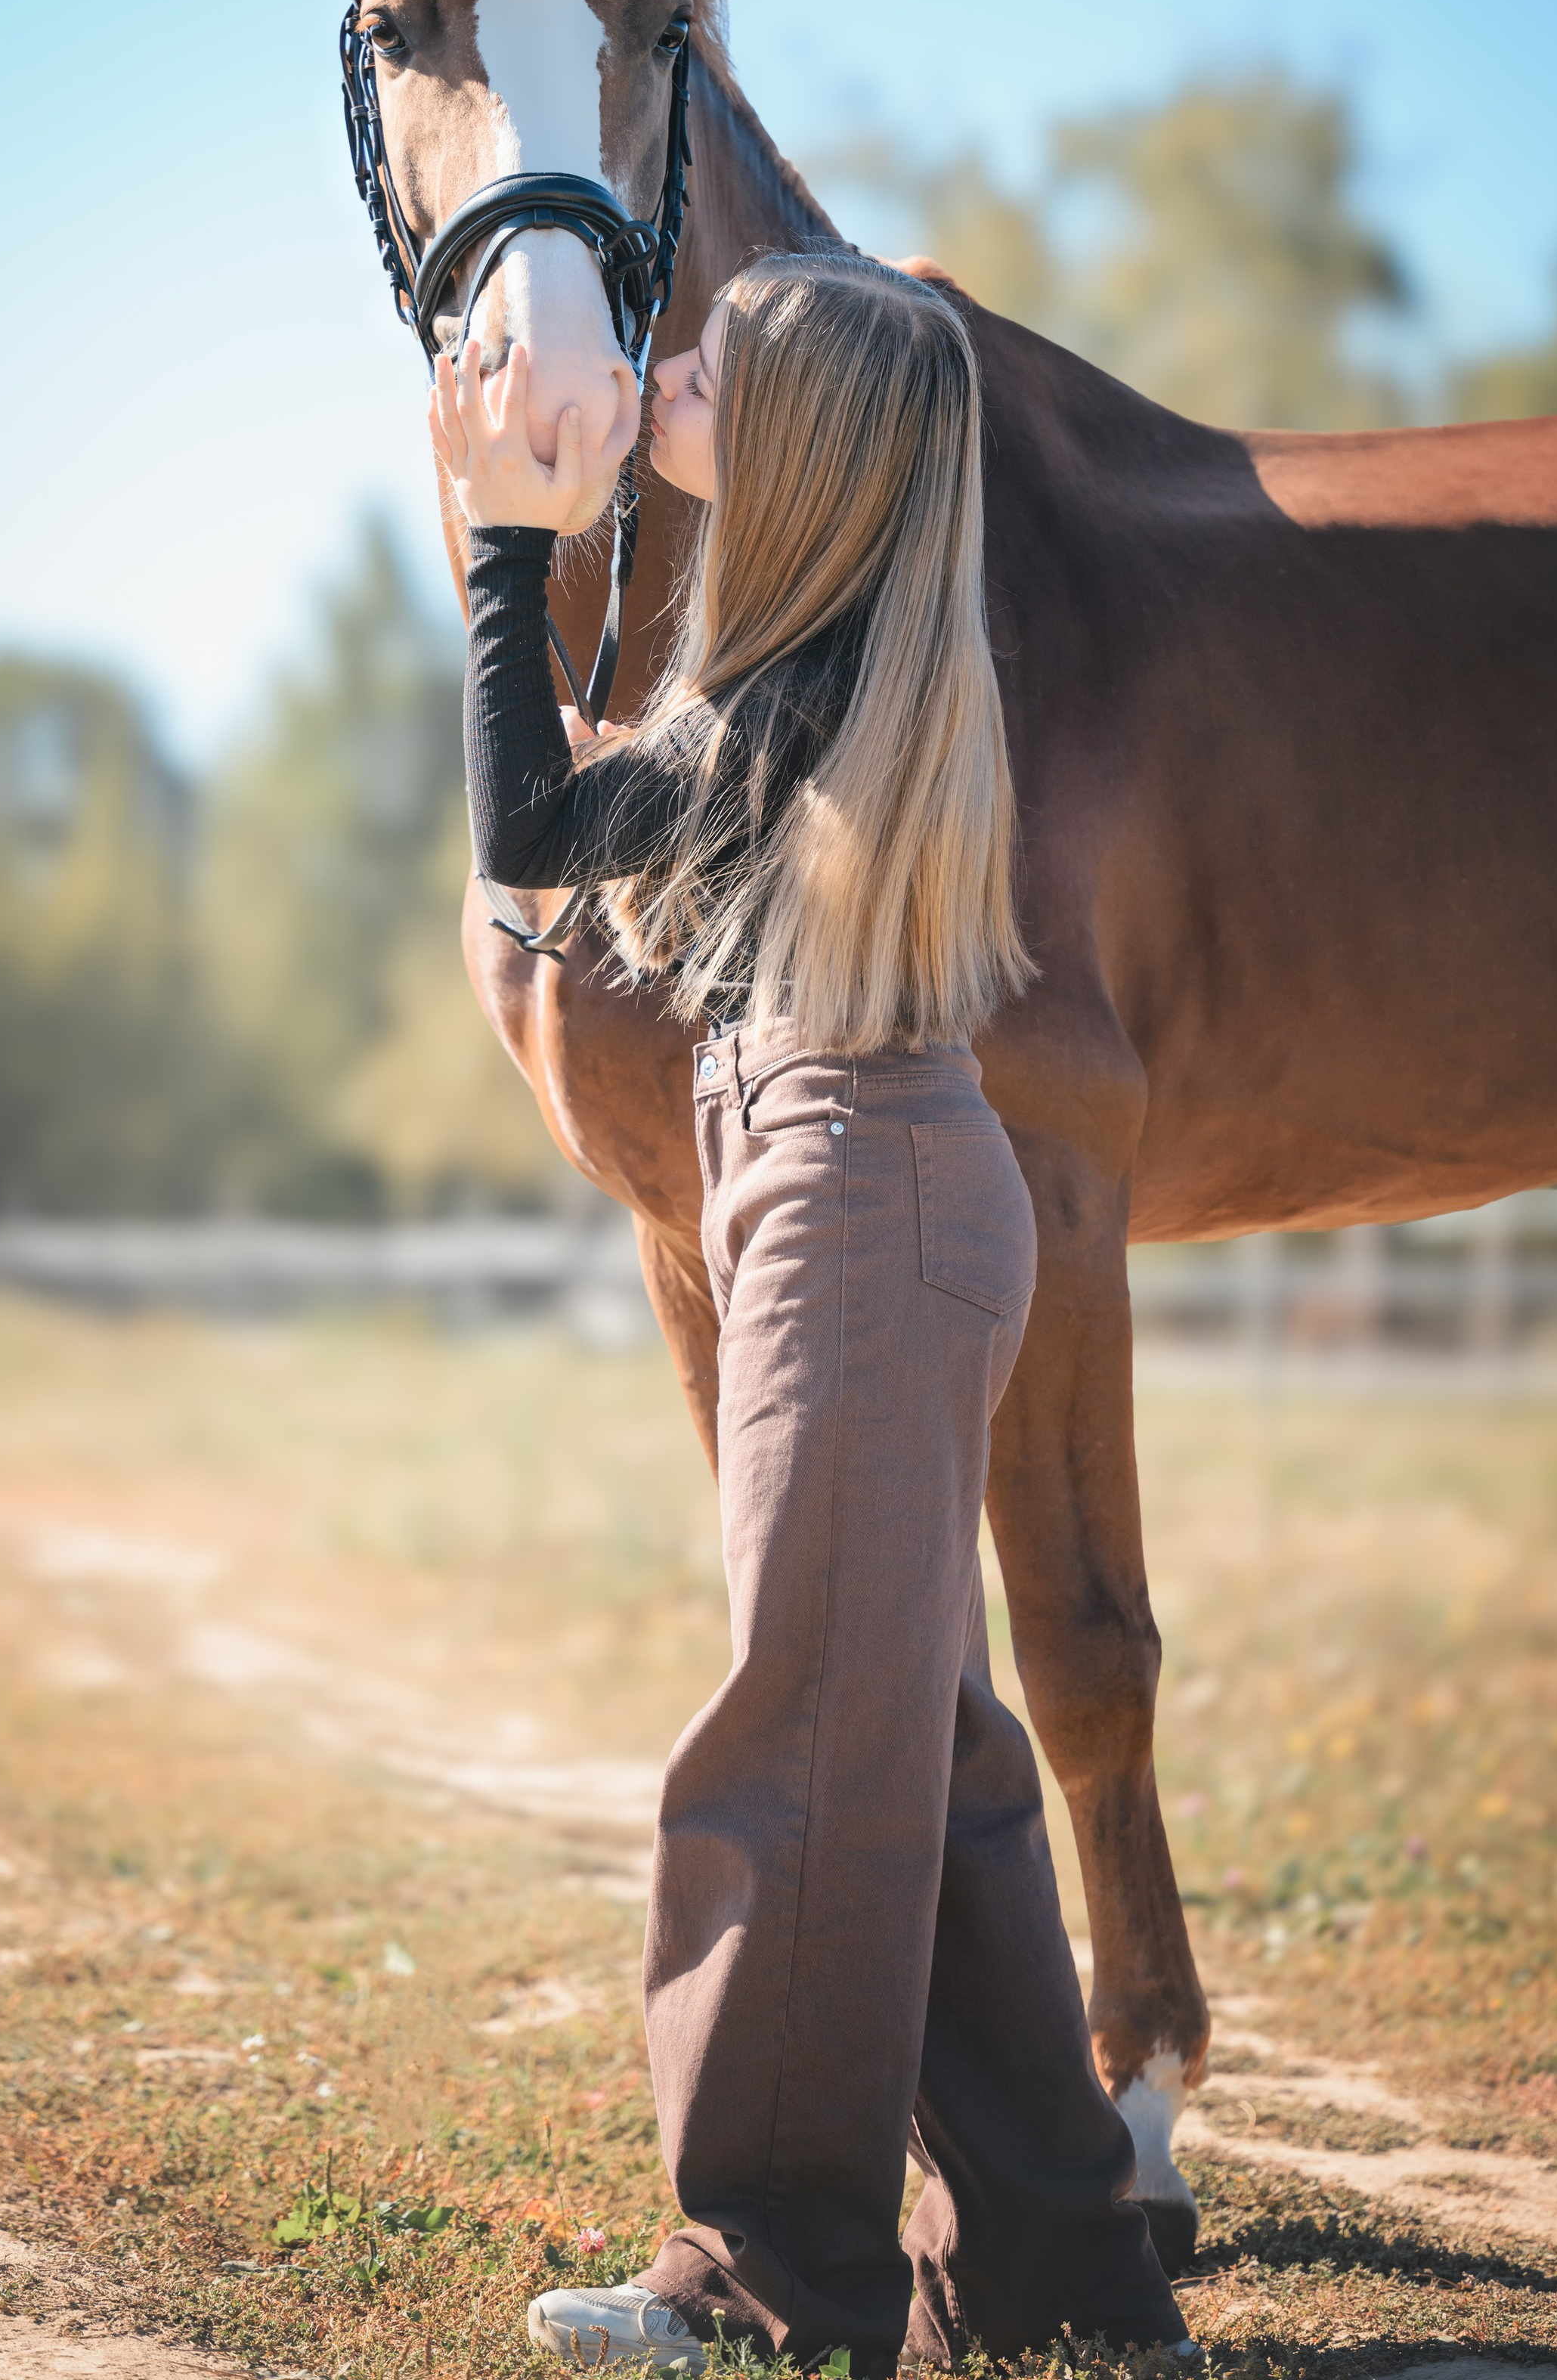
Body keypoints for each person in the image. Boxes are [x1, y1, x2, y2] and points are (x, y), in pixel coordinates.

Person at [431, 253, 1189, 2378]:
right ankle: (1062, 2262)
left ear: (798, 464)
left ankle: (770, 2284)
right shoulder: (824, 668)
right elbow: (590, 806)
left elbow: (532, 822)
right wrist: (550, 561)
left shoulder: (810, 683)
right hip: (849, 1182)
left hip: (858, 1193)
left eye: (703, 368)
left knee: (794, 1745)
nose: (659, 370)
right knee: (917, 1758)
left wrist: (503, 541)